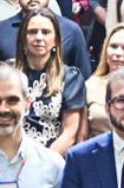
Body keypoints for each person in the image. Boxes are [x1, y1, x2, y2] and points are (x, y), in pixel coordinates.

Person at [13, 9, 85, 153]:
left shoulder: (71, 77)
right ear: (23, 39)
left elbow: (69, 133)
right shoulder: (8, 75)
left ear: (56, 40)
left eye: (46, 32)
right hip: (12, 154)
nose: (39, 37)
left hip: (52, 156)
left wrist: (43, 162)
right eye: (32, 32)